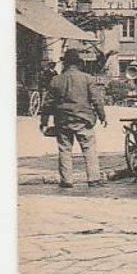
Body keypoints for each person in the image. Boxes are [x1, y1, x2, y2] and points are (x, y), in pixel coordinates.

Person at [41, 48, 108, 188]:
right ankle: (93, 179)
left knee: (64, 149)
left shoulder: (56, 80)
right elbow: (97, 100)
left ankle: (67, 180)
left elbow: (47, 104)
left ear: (65, 63)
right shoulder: (88, 79)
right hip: (84, 119)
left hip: (63, 120)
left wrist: (44, 122)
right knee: (89, 148)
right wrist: (102, 116)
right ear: (78, 63)